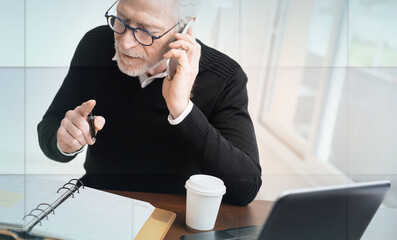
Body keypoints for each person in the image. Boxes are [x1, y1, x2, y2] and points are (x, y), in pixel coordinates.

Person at [37, 0, 261, 206]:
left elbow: (245, 189)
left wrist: (182, 109)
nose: (125, 42)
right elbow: (49, 127)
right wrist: (64, 143)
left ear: (184, 28)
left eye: (145, 32)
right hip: (99, 199)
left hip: (176, 214)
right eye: (121, 20)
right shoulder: (94, 46)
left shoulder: (225, 77)